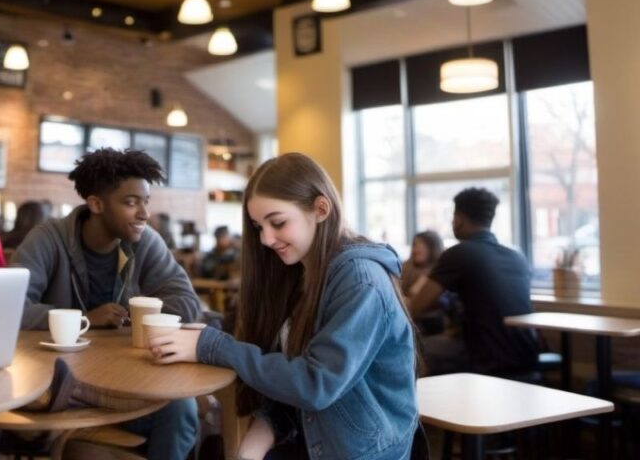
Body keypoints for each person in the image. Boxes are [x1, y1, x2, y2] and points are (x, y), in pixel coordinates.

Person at [148, 153, 418, 460]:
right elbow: (289, 381)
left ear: (320, 209)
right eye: (258, 226)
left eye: (277, 222)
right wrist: (257, 439)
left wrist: (213, 346)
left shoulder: (361, 281)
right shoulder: (301, 273)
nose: (265, 238)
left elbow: (314, 385)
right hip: (314, 436)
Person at [13, 147, 201, 460]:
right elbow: (11, 308)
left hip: (121, 381)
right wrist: (83, 318)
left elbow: (187, 302)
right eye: (131, 202)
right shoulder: (47, 239)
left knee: (181, 408)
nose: (144, 213)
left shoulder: (145, 241)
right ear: (96, 204)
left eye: (146, 202)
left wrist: (144, 316)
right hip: (61, 386)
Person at [410, 187, 539, 377]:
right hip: (527, 354)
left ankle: (423, 407)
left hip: (483, 354)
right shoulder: (517, 256)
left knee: (404, 350)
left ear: (458, 220)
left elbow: (415, 308)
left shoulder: (459, 253)